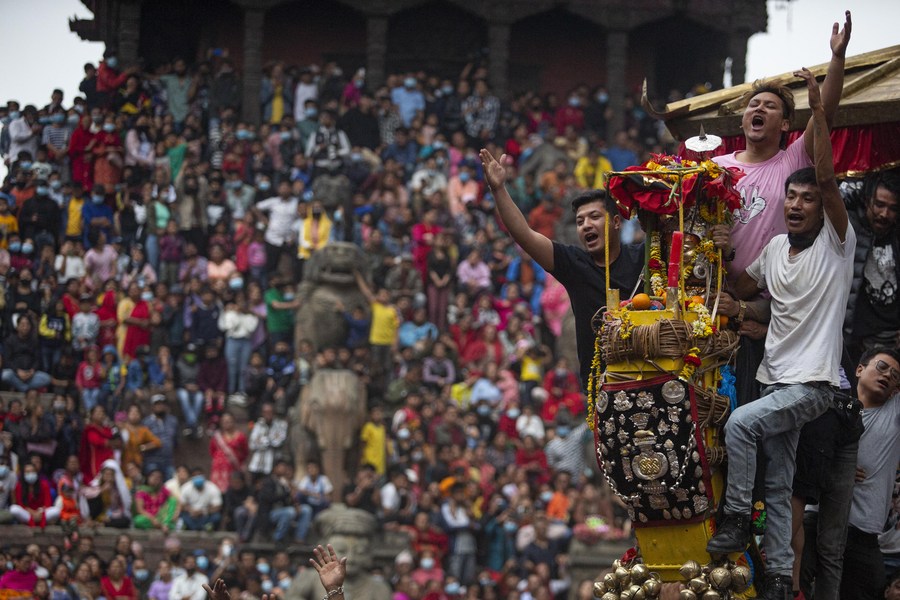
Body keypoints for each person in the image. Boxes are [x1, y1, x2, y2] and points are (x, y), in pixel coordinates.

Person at [705, 68, 855, 600]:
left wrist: (822, 97)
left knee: (741, 426)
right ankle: (774, 577)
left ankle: (738, 521)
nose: (794, 204)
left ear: (822, 208)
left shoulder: (838, 245)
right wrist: (723, 256)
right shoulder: (774, 250)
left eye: (806, 199)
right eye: (790, 198)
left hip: (813, 384)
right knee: (780, 480)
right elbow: (742, 286)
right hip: (773, 376)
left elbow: (830, 180)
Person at [480, 147, 643, 389]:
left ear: (616, 222)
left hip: (648, 374)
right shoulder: (574, 264)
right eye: (580, 221)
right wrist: (499, 190)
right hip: (603, 385)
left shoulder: (642, 256)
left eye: (594, 217)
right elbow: (525, 235)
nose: (586, 225)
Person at [796, 348, 900, 599]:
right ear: (859, 369)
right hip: (816, 519)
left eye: (895, 375)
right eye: (882, 367)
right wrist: (839, 469)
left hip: (863, 534)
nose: (887, 375)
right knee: (794, 584)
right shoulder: (828, 405)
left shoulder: (894, 414)